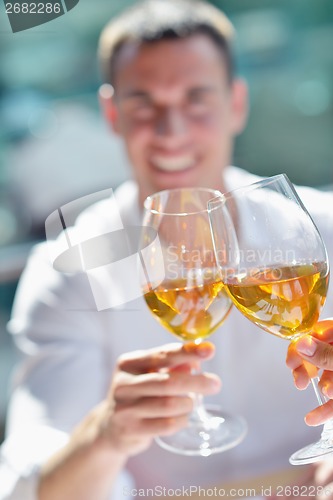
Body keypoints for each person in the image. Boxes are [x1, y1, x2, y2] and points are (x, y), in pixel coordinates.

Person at [1, 0, 333, 498]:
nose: (171, 130)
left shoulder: (321, 229)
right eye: (144, 104)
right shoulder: (66, 269)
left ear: (236, 104)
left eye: (196, 99)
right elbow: (30, 485)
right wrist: (106, 435)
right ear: (111, 113)